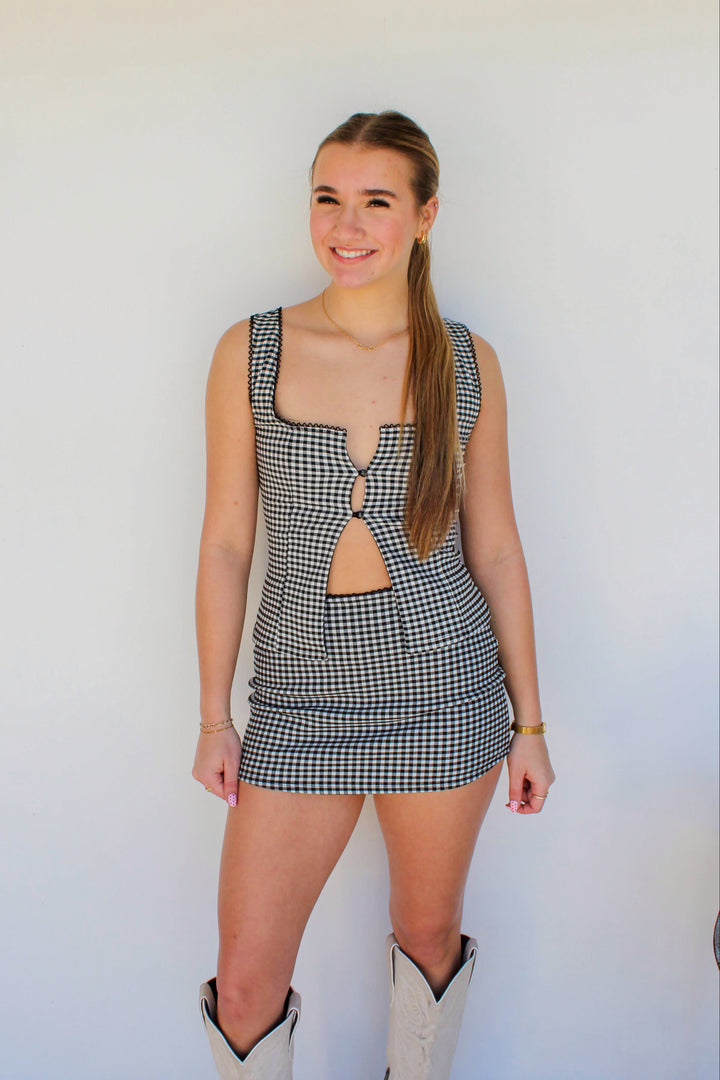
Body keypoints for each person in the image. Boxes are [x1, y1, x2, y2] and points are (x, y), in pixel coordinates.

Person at [192, 109, 555, 1080]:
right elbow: (227, 543)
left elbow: (500, 552)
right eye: (328, 198)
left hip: (445, 692)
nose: (345, 225)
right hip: (298, 699)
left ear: (424, 216)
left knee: (427, 935)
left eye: (376, 202)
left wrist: (529, 724)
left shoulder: (466, 362)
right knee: (244, 980)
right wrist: (213, 716)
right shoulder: (251, 350)